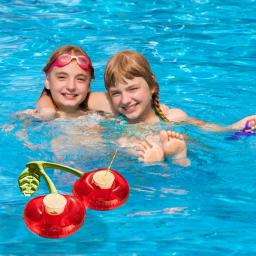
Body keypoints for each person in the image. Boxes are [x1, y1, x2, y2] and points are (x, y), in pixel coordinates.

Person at [32, 45, 186, 165]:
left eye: (80, 79)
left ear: (89, 85)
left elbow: (142, 104)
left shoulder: (97, 104)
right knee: (126, 143)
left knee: (126, 143)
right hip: (87, 160)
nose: (71, 86)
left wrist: (156, 104)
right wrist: (46, 109)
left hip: (100, 158)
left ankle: (166, 158)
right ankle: (167, 158)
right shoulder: (43, 112)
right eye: (61, 77)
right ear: (47, 80)